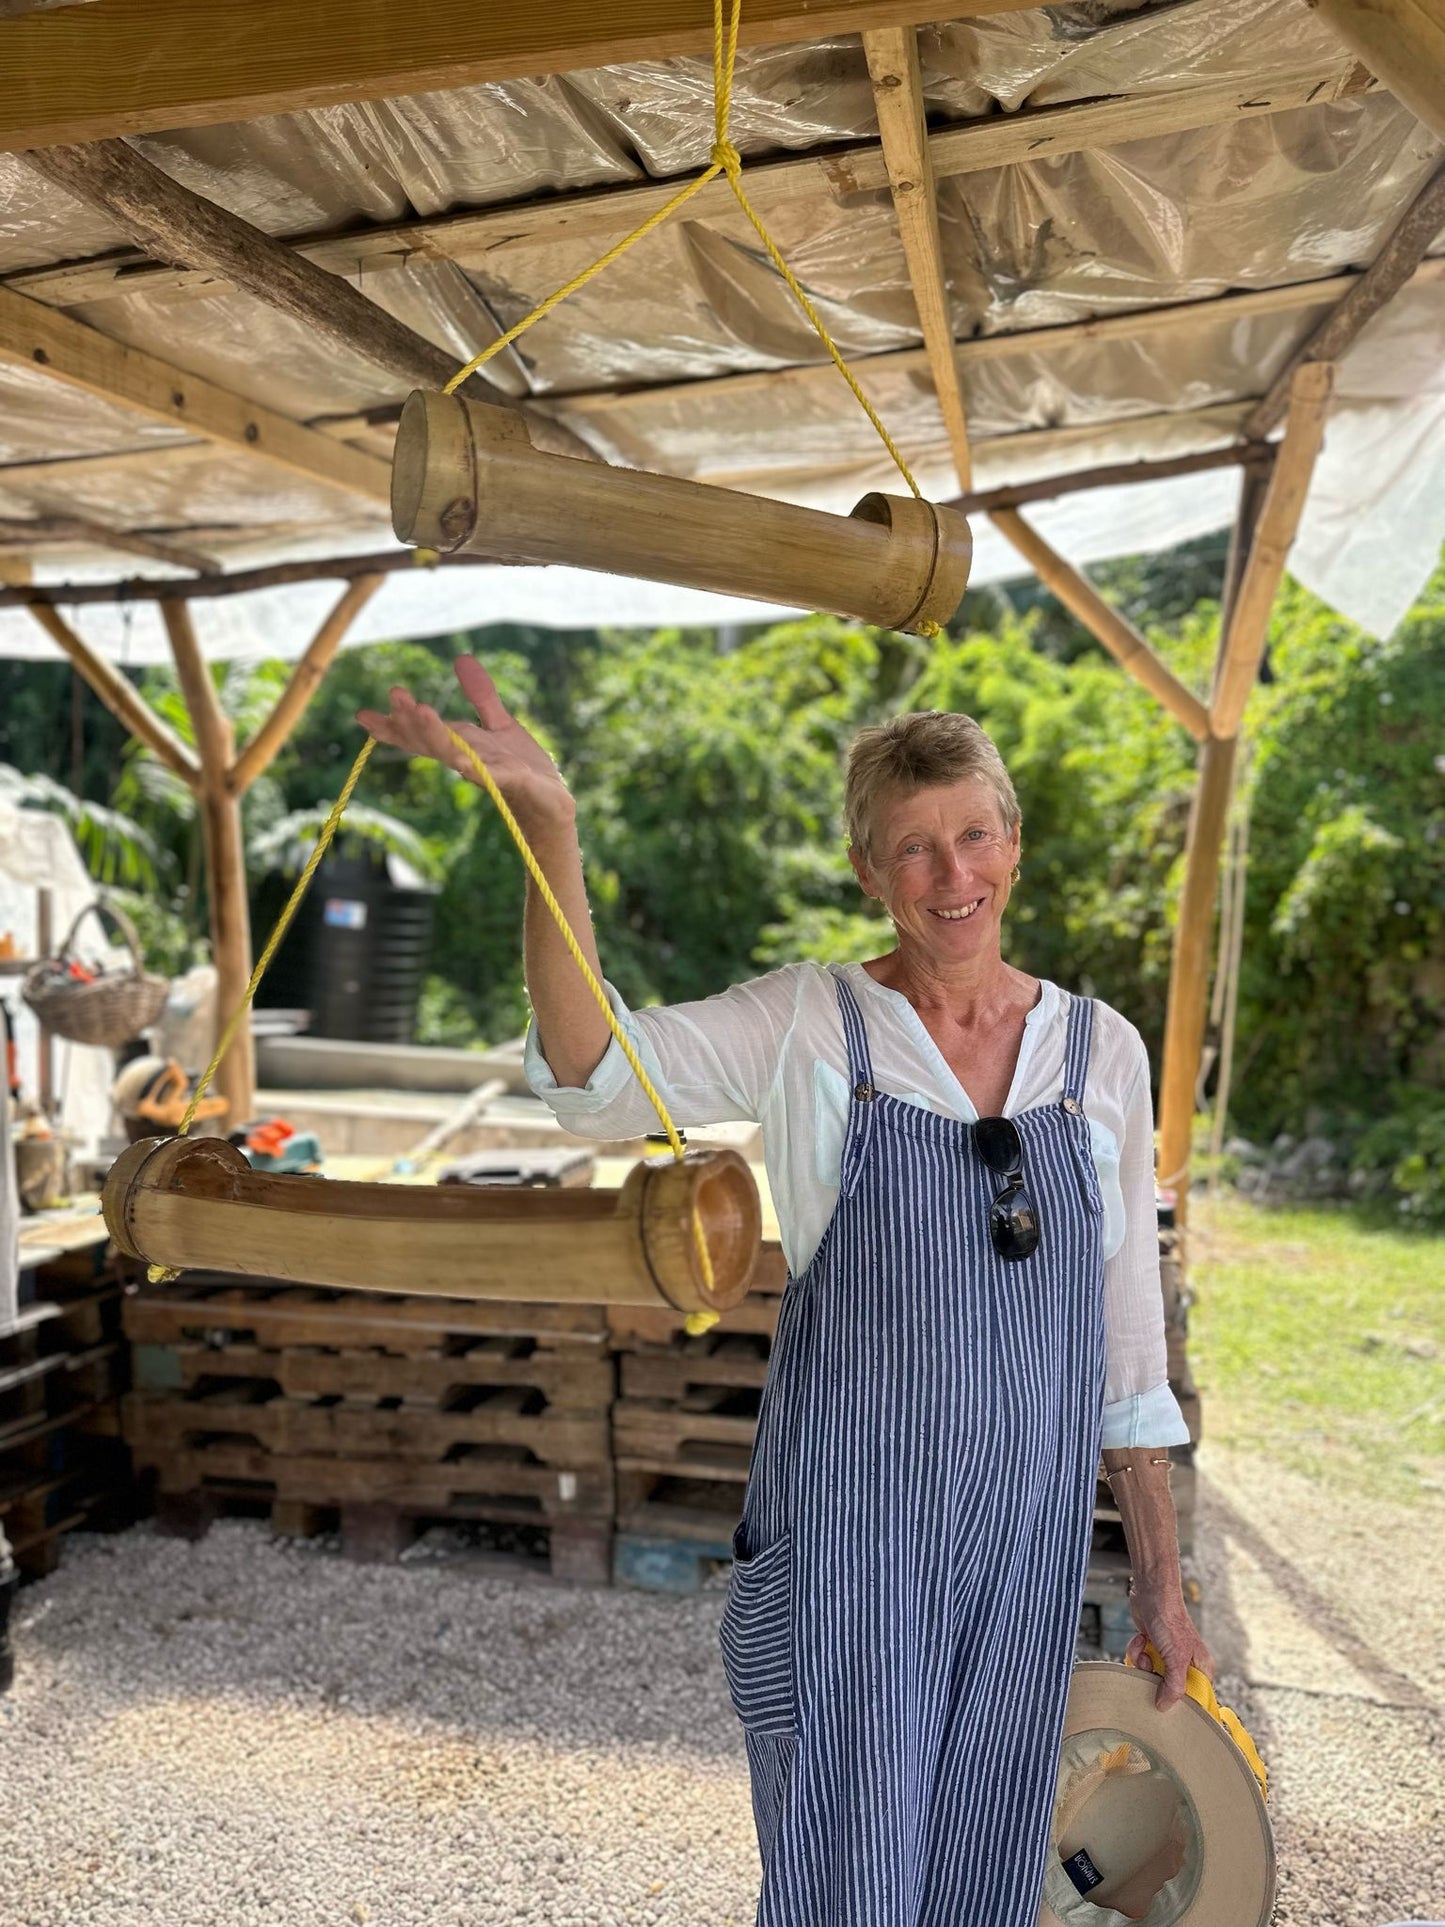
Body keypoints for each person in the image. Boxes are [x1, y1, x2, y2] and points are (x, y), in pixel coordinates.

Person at [358, 657, 1211, 1927]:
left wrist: (1158, 1584)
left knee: (985, 1876)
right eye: (912, 847)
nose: (952, 873)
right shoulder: (812, 1025)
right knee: (842, 1883)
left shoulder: (1100, 1054)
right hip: (849, 1549)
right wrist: (550, 827)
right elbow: (593, 1077)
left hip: (1019, 1556)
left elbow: (1126, 1351)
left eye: (973, 835)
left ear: (1014, 843)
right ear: (868, 870)